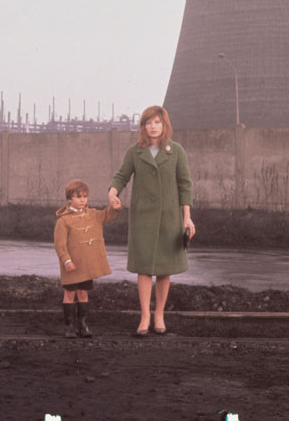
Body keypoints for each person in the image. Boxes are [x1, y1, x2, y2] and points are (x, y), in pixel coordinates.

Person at [107, 105, 195, 336]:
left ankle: (160, 315)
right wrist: (113, 192)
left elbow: (185, 185)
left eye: (157, 122)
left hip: (169, 219)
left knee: (165, 269)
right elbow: (121, 176)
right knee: (144, 269)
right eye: (148, 122)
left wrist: (187, 219)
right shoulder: (134, 151)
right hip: (142, 219)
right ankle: (145, 315)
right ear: (143, 126)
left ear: (164, 125)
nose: (153, 126)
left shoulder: (176, 151)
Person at [54, 178, 120, 338]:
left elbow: (106, 215)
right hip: (71, 265)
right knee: (69, 294)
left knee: (83, 293)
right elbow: (59, 244)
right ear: (69, 199)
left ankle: (83, 326)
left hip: (86, 265)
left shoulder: (93, 215)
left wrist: (114, 208)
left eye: (85, 196)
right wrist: (66, 260)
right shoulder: (63, 220)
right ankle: (69, 326)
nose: (83, 199)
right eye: (78, 196)